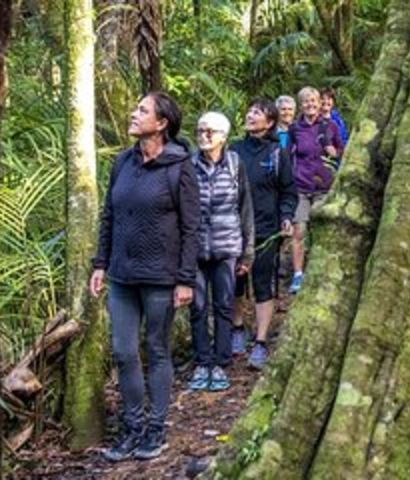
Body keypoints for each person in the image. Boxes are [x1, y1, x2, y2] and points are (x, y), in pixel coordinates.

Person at [90, 92, 200, 462]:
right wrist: (100, 263)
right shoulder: (123, 162)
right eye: (135, 108)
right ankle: (132, 427)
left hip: (161, 279)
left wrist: (185, 279)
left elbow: (191, 227)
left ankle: (156, 428)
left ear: (162, 123)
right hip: (121, 277)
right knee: (123, 352)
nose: (133, 114)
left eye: (142, 110)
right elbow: (109, 216)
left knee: (156, 350)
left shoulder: (180, 166)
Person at [187, 112, 255, 391]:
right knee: (198, 306)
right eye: (201, 130)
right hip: (195, 250)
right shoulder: (188, 165)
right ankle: (203, 362)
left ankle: (222, 362)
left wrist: (247, 252)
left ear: (223, 137)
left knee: (224, 305)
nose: (204, 136)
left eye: (210, 131)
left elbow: (245, 208)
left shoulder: (235, 164)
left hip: (227, 247)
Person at [230, 98, 297, 369]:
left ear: (269, 122)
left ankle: (260, 342)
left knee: (262, 283)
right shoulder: (234, 150)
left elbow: (288, 192)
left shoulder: (276, 154)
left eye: (257, 112)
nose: (250, 115)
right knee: (235, 283)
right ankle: (236, 329)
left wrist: (287, 218)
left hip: (266, 229)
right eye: (249, 110)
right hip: (235, 230)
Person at [288, 86, 344, 294]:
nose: (310, 105)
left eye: (314, 101)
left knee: (321, 232)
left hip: (323, 186)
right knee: (299, 231)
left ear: (320, 103)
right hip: (301, 185)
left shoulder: (330, 127)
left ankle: (320, 272)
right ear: (301, 106)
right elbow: (288, 157)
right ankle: (297, 275)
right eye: (306, 102)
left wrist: (335, 152)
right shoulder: (295, 129)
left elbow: (342, 151)